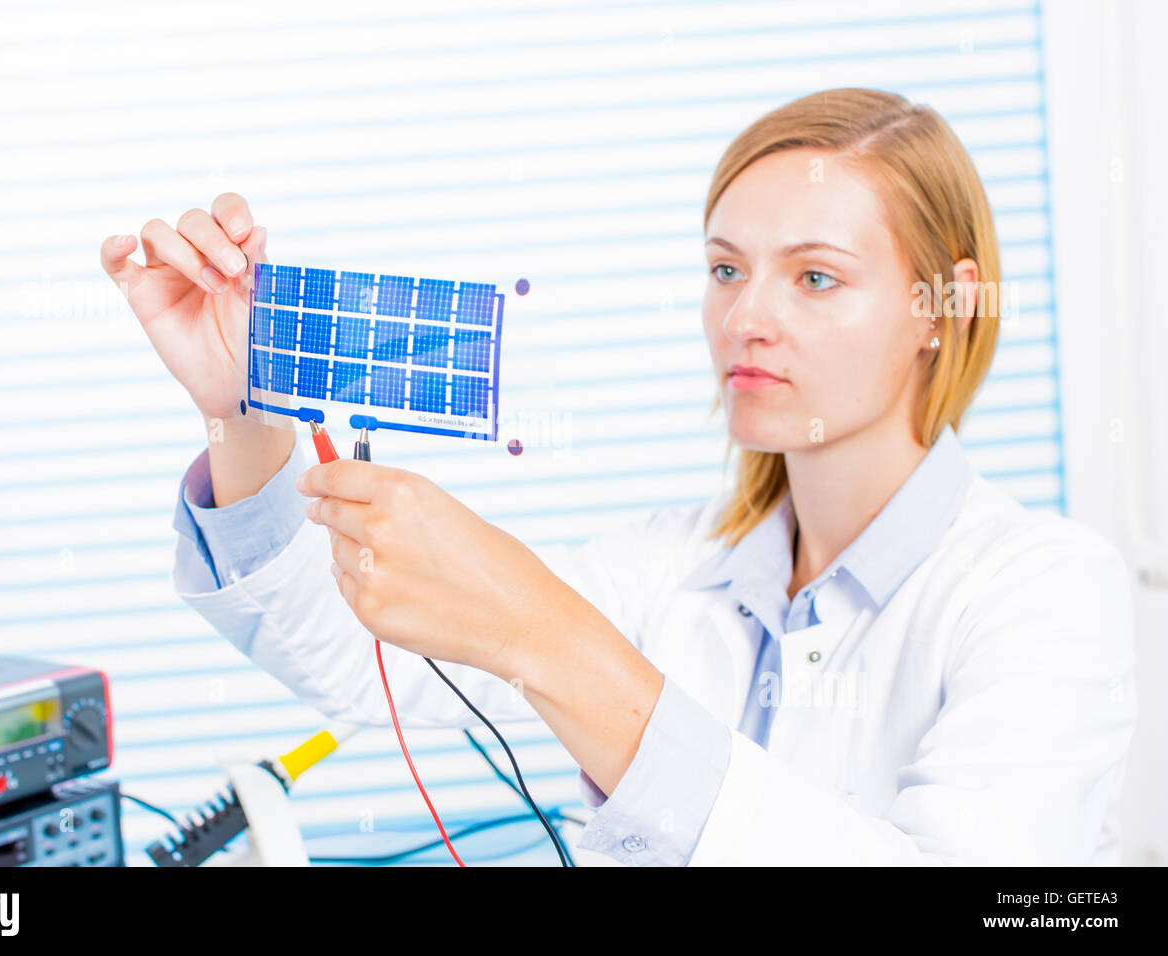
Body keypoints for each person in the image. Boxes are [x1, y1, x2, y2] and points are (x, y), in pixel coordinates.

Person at [100, 88, 1137, 865]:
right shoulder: (668, 569)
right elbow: (367, 666)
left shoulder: (1044, 590)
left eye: (814, 275)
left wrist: (553, 641)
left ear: (939, 305)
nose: (747, 317)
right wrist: (240, 407)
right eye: (726, 268)